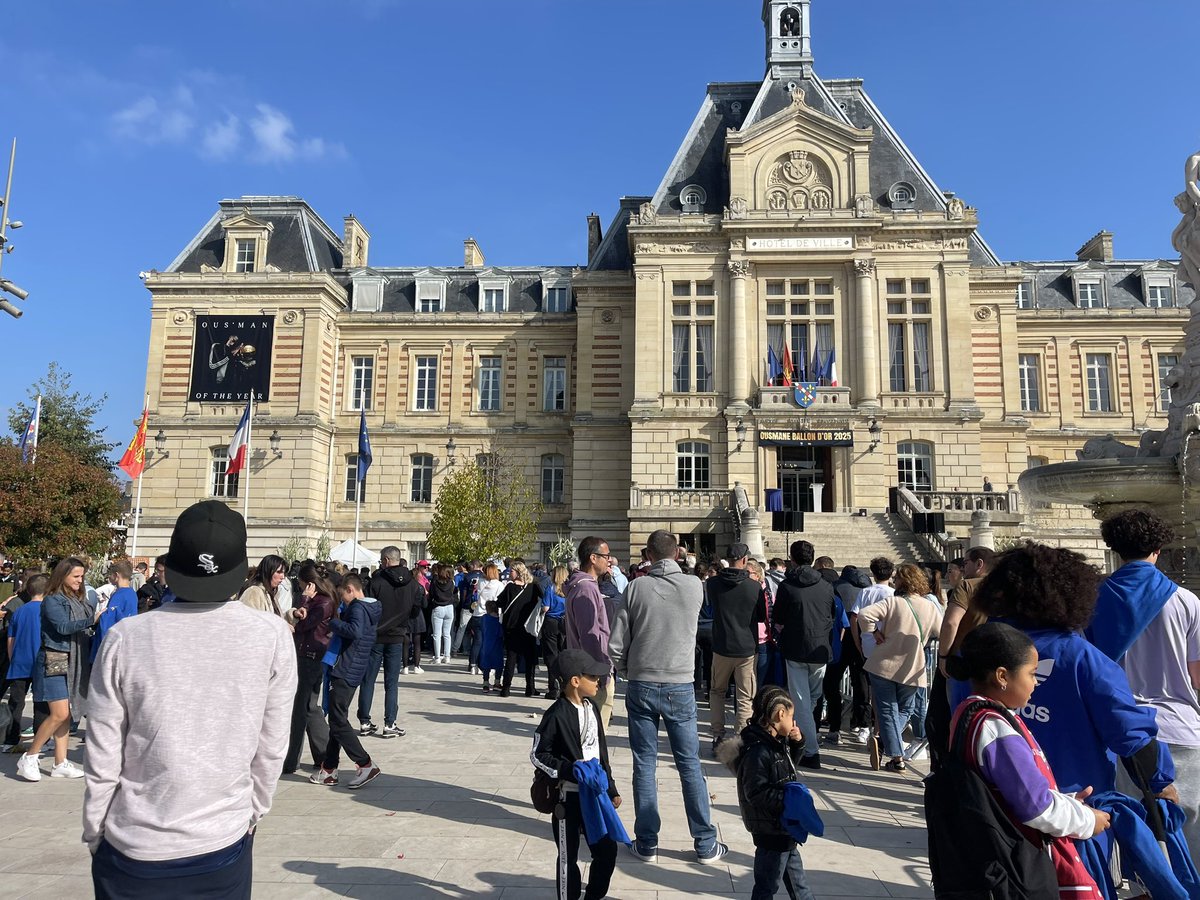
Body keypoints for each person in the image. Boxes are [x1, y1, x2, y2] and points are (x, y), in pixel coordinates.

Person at [83, 500, 296, 898]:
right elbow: (271, 744)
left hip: (133, 842)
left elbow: (103, 749)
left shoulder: (126, 637)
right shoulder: (270, 635)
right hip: (221, 835)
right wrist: (254, 811)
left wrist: (96, 829)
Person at [973, 543, 1180, 896]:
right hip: (1075, 817)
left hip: (990, 818)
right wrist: (1162, 784)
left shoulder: (979, 650)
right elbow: (1130, 733)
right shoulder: (1084, 657)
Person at [946, 622, 1107, 897]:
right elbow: (1035, 807)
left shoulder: (968, 712)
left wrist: (1066, 801)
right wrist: (1087, 820)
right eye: (1032, 673)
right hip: (1021, 866)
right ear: (1002, 676)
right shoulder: (995, 728)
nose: (1035, 682)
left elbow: (1011, 792)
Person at [1088, 510, 1200, 865]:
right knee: (1190, 830)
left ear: (1116, 548)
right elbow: (1197, 674)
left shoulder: (1094, 600)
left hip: (1120, 730)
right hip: (1180, 726)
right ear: (1158, 547)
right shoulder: (1185, 600)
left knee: (1137, 829)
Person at [609, 529, 726, 864]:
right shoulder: (693, 586)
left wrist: (626, 667)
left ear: (647, 554)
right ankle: (704, 842)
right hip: (679, 683)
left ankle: (646, 841)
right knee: (689, 764)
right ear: (678, 553)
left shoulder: (635, 587)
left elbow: (616, 643)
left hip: (642, 680)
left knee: (644, 764)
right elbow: (690, 571)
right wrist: (685, 560)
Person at [531, 649, 623, 900]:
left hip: (596, 796)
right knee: (568, 859)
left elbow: (600, 751)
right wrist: (569, 770)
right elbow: (538, 754)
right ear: (575, 681)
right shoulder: (556, 714)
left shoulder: (592, 706)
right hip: (568, 799)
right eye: (592, 677)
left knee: (606, 851)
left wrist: (611, 787)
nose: (598, 681)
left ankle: (593, 896)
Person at [717, 685, 817, 900]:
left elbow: (788, 767)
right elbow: (755, 792)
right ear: (780, 714)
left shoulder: (775, 742)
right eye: (791, 717)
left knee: (799, 884)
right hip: (770, 829)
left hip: (784, 828)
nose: (793, 723)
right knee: (766, 886)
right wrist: (789, 800)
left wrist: (797, 743)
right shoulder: (759, 750)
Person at [855, 564, 943, 772]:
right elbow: (940, 630)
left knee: (887, 709)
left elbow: (864, 615)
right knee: (905, 708)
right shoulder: (930, 606)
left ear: (902, 581)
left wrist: (874, 632)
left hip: (884, 662)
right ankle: (891, 749)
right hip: (912, 665)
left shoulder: (893, 602)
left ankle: (894, 752)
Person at [18, 557, 95, 782]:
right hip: (53, 659)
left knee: (66, 715)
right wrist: (92, 620)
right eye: (76, 576)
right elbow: (62, 627)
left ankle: (60, 762)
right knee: (59, 713)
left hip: (72, 660)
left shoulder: (77, 599)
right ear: (63, 576)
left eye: (82, 576)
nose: (80, 581)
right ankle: (30, 756)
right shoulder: (52, 600)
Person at [310, 573, 383, 789]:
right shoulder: (371, 607)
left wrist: (333, 624)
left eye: (343, 597)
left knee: (338, 721)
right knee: (337, 719)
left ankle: (365, 763)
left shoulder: (359, 608)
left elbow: (355, 631)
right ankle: (329, 769)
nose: (342, 601)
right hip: (353, 668)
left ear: (350, 589)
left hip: (345, 669)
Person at [772, 540, 837, 770]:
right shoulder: (827, 586)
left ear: (792, 558)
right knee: (810, 699)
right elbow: (831, 613)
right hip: (819, 647)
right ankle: (801, 737)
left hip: (796, 648)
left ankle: (810, 750)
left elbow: (777, 618)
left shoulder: (787, 586)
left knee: (801, 700)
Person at [932, 546, 996, 766]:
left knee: (960, 718)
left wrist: (943, 655)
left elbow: (951, 622)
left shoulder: (967, 586)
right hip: (995, 659)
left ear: (979, 564)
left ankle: (958, 767)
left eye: (966, 563)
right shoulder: (1004, 589)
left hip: (963, 658)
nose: (963, 567)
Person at [706, 542, 765, 753]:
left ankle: (717, 734)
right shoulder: (753, 586)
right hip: (746, 647)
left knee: (716, 691)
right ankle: (741, 737)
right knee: (745, 696)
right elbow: (761, 617)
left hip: (721, 644)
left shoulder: (713, 584)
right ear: (744, 560)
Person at [360, 547, 422, 738]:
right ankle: (390, 723)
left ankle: (364, 721)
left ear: (386, 560)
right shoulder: (413, 584)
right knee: (391, 682)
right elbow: (416, 609)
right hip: (397, 635)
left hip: (376, 635)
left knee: (368, 679)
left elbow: (368, 608)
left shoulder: (376, 582)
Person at [281, 564, 336, 775]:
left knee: (301, 709)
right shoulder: (322, 600)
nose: (300, 587)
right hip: (311, 655)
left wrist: (303, 601)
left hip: (310, 656)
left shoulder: (323, 602)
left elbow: (304, 626)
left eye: (302, 583)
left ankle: (292, 759)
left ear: (309, 584)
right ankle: (323, 755)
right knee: (310, 707)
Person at [564, 537, 616, 729]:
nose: (609, 560)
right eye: (606, 556)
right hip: (592, 671)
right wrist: (601, 672)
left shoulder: (584, 585)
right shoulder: (586, 588)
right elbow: (590, 635)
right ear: (593, 558)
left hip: (588, 668)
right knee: (594, 732)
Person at [824, 565, 871, 745]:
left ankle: (834, 727)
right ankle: (863, 724)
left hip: (842, 639)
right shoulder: (865, 589)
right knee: (861, 683)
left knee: (832, 683)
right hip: (862, 637)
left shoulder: (836, 587)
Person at [2, 573, 49, 753]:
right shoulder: (46, 610)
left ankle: (11, 739)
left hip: (19, 662)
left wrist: (12, 658)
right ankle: (41, 740)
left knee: (16, 702)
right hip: (39, 662)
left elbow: (10, 639)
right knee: (41, 703)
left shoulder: (20, 610)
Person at [499, 562, 545, 698]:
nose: (509, 573)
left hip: (512, 627)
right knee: (530, 658)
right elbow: (543, 599)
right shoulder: (534, 587)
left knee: (511, 658)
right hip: (528, 627)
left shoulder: (510, 588)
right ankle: (530, 688)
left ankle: (506, 688)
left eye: (512, 571)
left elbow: (500, 602)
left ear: (518, 572)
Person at [90, 561, 137, 662]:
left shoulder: (119, 595)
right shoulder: (132, 593)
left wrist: (98, 618)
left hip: (111, 648)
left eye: (110, 574)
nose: (108, 578)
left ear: (116, 575)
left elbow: (109, 621)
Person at [542, 565, 570, 701]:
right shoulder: (569, 589)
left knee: (551, 655)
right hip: (565, 622)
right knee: (563, 654)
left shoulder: (550, 588)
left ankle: (554, 688)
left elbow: (546, 608)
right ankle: (565, 687)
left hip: (551, 621)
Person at [428, 564, 457, 664]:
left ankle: (437, 657)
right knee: (447, 634)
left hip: (438, 607)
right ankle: (447, 656)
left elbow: (431, 594)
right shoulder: (452, 582)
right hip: (449, 607)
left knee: (436, 634)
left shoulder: (435, 582)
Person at [479, 599, 505, 692]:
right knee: (499, 665)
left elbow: (481, 629)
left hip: (486, 645)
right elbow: (501, 633)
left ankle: (485, 683)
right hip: (497, 646)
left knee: (486, 665)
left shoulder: (484, 618)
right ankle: (497, 683)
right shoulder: (499, 620)